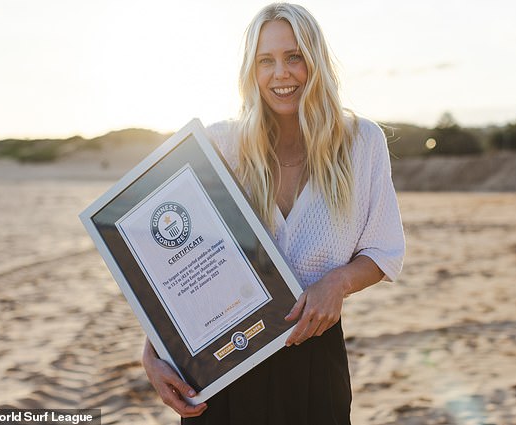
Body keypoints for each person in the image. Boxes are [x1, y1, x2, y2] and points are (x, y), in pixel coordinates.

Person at [142, 3, 405, 424]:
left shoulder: (362, 143)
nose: (280, 73)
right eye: (266, 60)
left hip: (313, 360)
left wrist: (336, 283)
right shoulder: (220, 145)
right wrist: (153, 350)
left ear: (315, 62)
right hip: (220, 363)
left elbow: (383, 250)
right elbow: (175, 263)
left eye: (294, 56)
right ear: (252, 70)